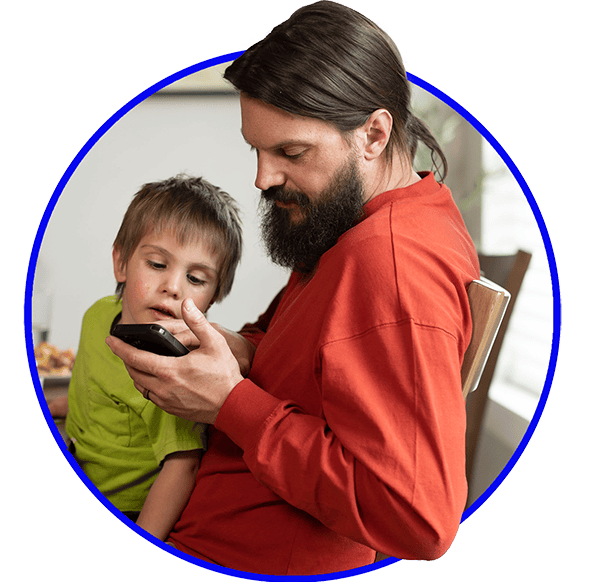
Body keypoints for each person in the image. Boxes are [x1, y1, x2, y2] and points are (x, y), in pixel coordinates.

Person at [107, 1, 480, 574]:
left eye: (291, 152)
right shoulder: (353, 219)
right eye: (255, 148)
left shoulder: (391, 265)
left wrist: (229, 403)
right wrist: (231, 350)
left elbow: (418, 518)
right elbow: (315, 363)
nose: (262, 177)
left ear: (374, 135)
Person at [64, 175, 243, 541]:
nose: (173, 286)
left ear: (214, 298)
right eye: (158, 265)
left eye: (195, 278)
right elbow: (93, 386)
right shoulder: (97, 315)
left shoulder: (178, 371)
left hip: (129, 512)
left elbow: (182, 466)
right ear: (122, 263)